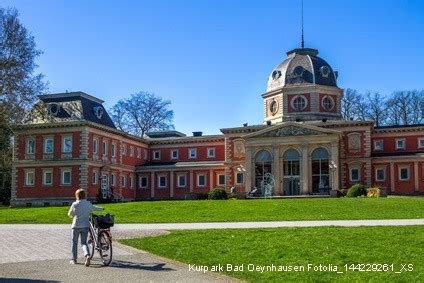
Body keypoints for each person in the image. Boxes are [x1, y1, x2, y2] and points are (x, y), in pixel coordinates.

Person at [68, 189, 104, 266]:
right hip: (85, 226)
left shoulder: (75, 204)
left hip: (76, 226)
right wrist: (102, 208)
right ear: (85, 195)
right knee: (84, 243)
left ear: (77, 196)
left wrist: (73, 215)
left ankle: (74, 259)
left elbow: (70, 214)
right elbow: (95, 208)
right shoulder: (88, 204)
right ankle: (87, 255)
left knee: (74, 242)